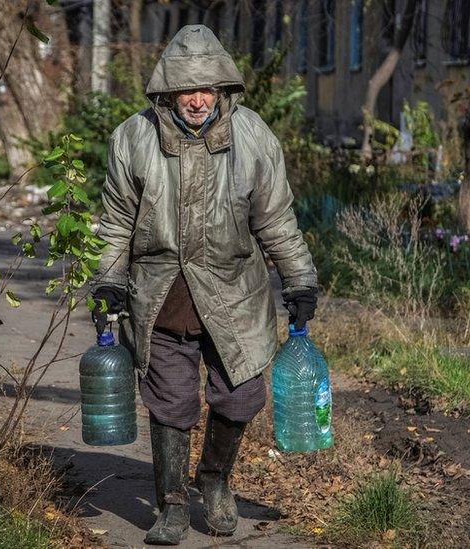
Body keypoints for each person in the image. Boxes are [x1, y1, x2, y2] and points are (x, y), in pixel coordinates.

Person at [89, 25, 318, 545]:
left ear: (223, 90)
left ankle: (213, 481)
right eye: (186, 89)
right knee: (169, 403)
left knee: (240, 398)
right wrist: (108, 283)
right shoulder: (133, 137)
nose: (196, 100)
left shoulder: (254, 137)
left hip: (235, 298)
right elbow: (116, 222)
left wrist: (300, 278)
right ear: (167, 90)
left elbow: (277, 220)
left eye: (207, 88)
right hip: (161, 298)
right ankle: (170, 504)